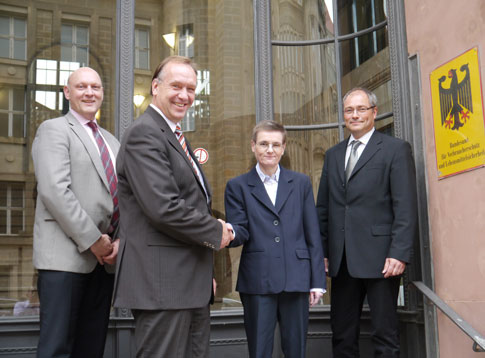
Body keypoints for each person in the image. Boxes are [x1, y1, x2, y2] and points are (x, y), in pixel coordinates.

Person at [113, 55, 234, 358]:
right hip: (162, 285)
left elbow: (190, 202)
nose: (185, 95)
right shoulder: (145, 133)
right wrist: (216, 230)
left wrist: (202, 272)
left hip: (187, 284)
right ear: (155, 87)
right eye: (176, 86)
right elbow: (164, 207)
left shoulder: (174, 136)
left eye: (191, 89)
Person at [316, 87, 418, 357]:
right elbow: (323, 208)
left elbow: (404, 205)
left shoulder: (395, 149)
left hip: (381, 259)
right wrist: (324, 252)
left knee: (385, 335)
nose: (355, 115)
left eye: (361, 109)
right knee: (342, 335)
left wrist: (399, 253)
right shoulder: (333, 154)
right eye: (349, 110)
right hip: (342, 260)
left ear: (374, 112)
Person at [32, 67, 120, 358]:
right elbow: (55, 191)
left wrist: (120, 241)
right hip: (64, 261)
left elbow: (125, 198)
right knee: (57, 349)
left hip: (104, 263)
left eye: (95, 87)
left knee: (91, 348)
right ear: (67, 93)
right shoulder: (53, 130)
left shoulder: (112, 141)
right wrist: (95, 240)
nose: (89, 92)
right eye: (81, 86)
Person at [225, 120, 326, 357]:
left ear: (283, 148)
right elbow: (240, 230)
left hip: (297, 278)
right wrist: (227, 232)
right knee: (259, 351)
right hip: (258, 280)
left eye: (275, 144)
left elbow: (312, 233)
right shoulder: (237, 186)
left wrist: (317, 281)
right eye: (263, 144)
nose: (269, 150)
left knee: (296, 350)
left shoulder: (300, 183)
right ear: (253, 146)